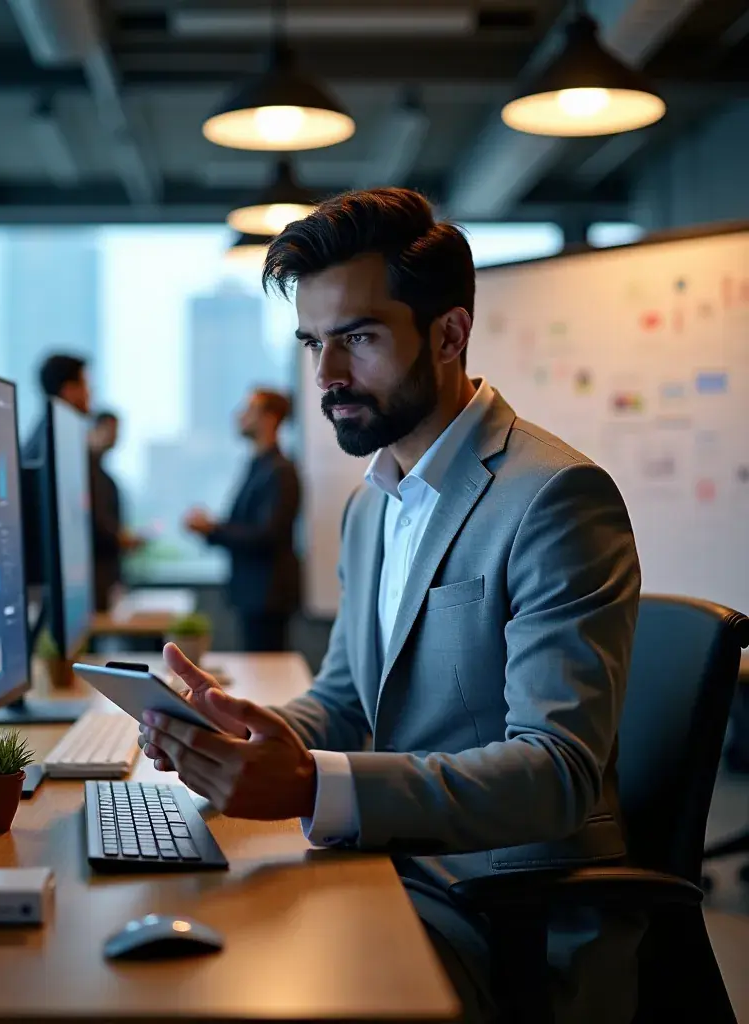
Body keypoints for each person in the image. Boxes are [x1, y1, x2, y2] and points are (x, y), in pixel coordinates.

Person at [141, 189, 643, 1023]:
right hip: (396, 871)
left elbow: (555, 772)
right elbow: (343, 698)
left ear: (449, 333)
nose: (327, 378)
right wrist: (242, 730)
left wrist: (309, 786)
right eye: (314, 344)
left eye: (359, 340)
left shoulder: (555, 497)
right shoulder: (370, 505)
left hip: (508, 910)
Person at [183, 388, 301, 652]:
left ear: (270, 418)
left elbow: (268, 534)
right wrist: (211, 529)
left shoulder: (280, 470)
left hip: (268, 596)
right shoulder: (257, 465)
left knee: (268, 674)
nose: (239, 416)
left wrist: (212, 528)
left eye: (249, 410)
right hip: (253, 593)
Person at [88, 411, 143, 612]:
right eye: (111, 430)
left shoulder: (103, 476)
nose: (115, 437)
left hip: (108, 573)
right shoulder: (83, 472)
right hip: (94, 575)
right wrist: (118, 538)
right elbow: (95, 522)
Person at [20, 353, 91, 463]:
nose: (89, 393)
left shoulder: (48, 432)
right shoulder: (57, 440)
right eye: (85, 384)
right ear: (68, 390)